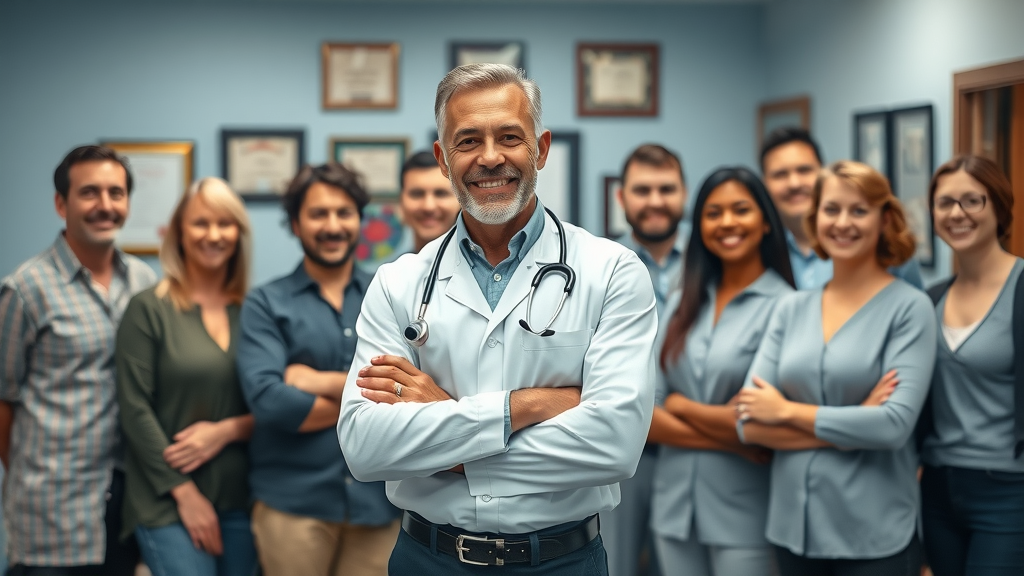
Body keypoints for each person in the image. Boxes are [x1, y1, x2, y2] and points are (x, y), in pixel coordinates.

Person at [337, 63, 657, 575]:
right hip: (429, 558)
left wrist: (445, 426)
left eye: (510, 137)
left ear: (541, 149)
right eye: (468, 141)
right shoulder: (399, 283)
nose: (490, 158)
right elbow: (365, 448)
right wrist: (527, 406)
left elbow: (615, 446)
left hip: (562, 561)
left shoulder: (611, 272)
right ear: (443, 159)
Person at [736, 160, 936, 575]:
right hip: (794, 528)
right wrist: (856, 421)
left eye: (859, 210)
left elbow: (893, 426)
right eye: (831, 209)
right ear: (815, 219)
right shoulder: (790, 308)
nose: (843, 222)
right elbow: (748, 424)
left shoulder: (910, 308)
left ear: (884, 220)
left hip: (874, 535)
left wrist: (788, 412)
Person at [0, 145, 157, 575]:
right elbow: (3, 399)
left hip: (123, 507)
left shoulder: (144, 281)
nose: (105, 205)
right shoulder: (25, 289)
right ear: (60, 203)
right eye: (90, 193)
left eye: (116, 193)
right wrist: (32, 478)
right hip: (50, 515)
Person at [238, 162, 400, 576]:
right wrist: (369, 398)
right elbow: (270, 402)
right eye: (317, 214)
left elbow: (409, 392)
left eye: (343, 213)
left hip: (378, 505)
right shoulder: (265, 304)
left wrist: (312, 381)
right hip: (293, 506)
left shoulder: (388, 296)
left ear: (359, 220)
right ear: (295, 223)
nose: (332, 226)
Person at [648, 167, 794, 576]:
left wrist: (678, 403)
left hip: (746, 512)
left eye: (741, 210)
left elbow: (753, 420)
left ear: (766, 221)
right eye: (713, 213)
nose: (727, 222)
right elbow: (643, 415)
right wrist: (732, 442)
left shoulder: (789, 307)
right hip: (674, 507)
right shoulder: (682, 302)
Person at [116, 177, 257, 576]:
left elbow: (270, 401)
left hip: (239, 497)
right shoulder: (149, 310)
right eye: (200, 223)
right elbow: (134, 409)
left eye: (225, 223)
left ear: (238, 232)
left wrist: (228, 430)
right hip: (166, 499)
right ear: (179, 231)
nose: (213, 235)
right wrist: (185, 495)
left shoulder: (253, 310)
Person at [918, 155, 1024, 576]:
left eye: (971, 201)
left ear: (999, 207)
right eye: (944, 203)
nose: (956, 214)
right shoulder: (929, 299)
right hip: (939, 489)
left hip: (1008, 490)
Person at [603, 143, 688, 576]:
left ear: (684, 194)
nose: (655, 201)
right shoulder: (600, 266)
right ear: (622, 198)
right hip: (619, 451)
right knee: (613, 566)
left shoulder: (713, 263)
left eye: (666, 189)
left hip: (690, 447)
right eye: (642, 190)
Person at [759, 127, 924, 289]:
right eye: (780, 174)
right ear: (764, 182)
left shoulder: (884, 248)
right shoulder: (758, 251)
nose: (794, 183)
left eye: (804, 170)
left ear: (823, 173)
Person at [399, 150, 461, 253]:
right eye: (417, 194)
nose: (428, 206)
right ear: (401, 202)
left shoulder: (480, 268)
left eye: (441, 194)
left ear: (461, 202)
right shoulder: (393, 269)